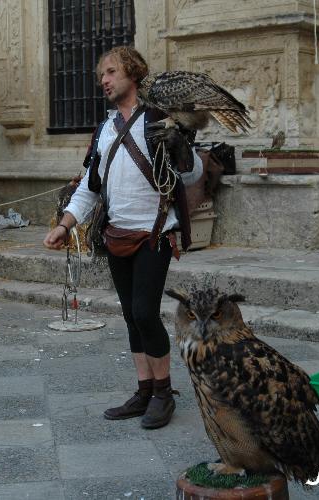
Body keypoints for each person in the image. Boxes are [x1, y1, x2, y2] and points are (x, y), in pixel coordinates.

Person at [43, 46, 202, 430]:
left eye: (111, 72)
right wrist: (65, 225)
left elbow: (193, 174)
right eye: (101, 76)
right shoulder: (105, 130)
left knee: (146, 312)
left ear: (133, 74)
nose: (104, 80)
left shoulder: (161, 121)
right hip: (115, 235)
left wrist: (182, 147)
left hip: (154, 235)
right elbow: (89, 188)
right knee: (132, 316)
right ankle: (144, 390)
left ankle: (164, 393)